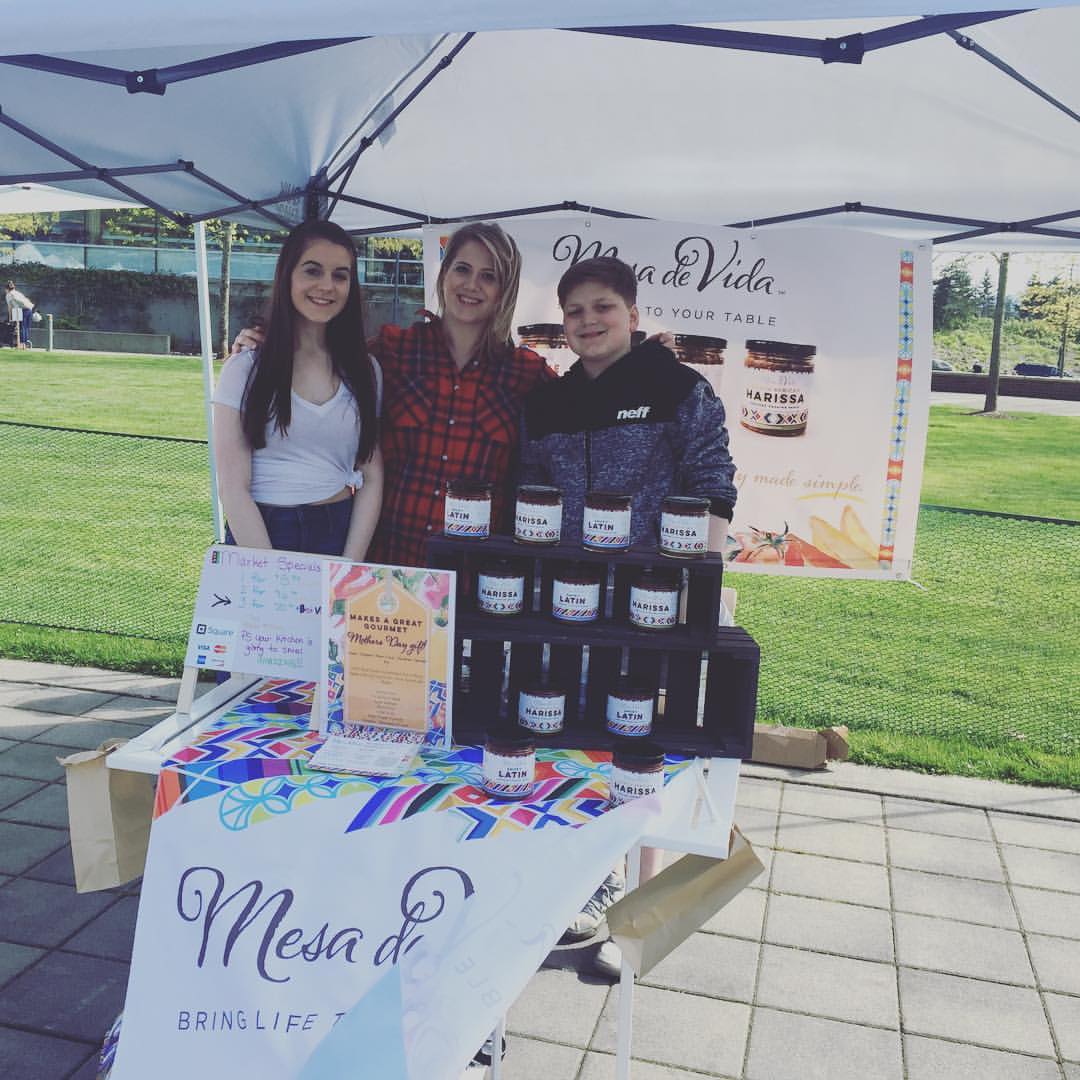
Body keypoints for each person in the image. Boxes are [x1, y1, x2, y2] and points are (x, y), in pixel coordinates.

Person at [518, 255, 738, 978]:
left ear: (633, 313)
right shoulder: (549, 401)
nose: (589, 321)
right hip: (568, 604)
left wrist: (697, 592)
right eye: (576, 310)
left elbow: (713, 480)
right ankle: (586, 880)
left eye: (603, 307)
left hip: (654, 603)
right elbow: (530, 491)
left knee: (646, 748)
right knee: (583, 737)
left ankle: (638, 920)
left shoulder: (678, 387)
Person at [234, 221, 553, 567]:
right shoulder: (392, 353)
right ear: (444, 273)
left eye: (489, 276)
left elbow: (583, 401)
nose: (471, 285)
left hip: (472, 577)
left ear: (506, 289)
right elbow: (319, 352)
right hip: (388, 569)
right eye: (462, 268)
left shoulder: (527, 375)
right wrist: (263, 341)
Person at [213, 220, 383, 559]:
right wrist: (272, 574)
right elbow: (233, 488)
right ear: (287, 275)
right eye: (312, 270)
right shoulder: (246, 368)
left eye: (340, 275)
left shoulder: (366, 371)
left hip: (338, 531)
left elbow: (372, 475)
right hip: (260, 534)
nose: (326, 286)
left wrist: (349, 566)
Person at [4, 281, 33, 348]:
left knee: (21, 327)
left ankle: (22, 344)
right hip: (29, 309)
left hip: (20, 310)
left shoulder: (8, 295)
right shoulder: (18, 293)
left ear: (7, 289)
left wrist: (10, 318)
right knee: (26, 328)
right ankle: (25, 344)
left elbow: (10, 308)